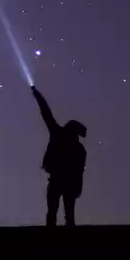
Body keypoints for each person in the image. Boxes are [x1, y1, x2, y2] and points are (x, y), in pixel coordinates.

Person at [31, 85, 87, 226]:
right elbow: (46, 112)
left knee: (55, 213)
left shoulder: (61, 135)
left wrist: (37, 95)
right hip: (64, 181)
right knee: (65, 214)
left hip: (60, 180)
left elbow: (46, 113)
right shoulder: (79, 148)